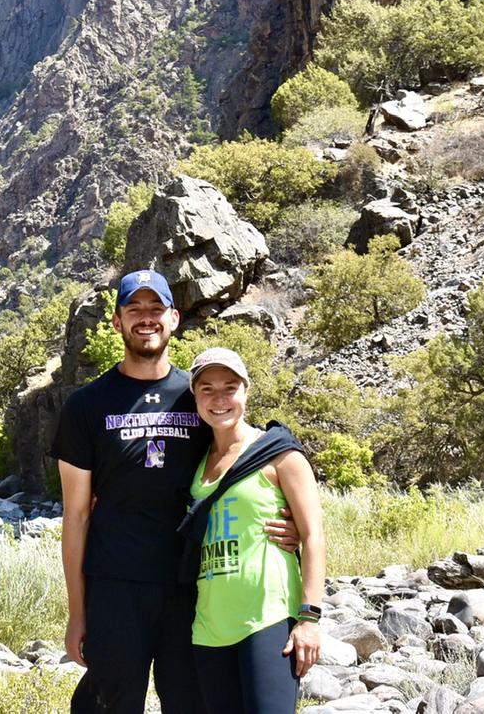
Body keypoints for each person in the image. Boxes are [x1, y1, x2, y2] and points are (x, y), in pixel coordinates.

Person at [52, 271, 297, 714]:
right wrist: (77, 611)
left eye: (155, 309)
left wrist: (291, 520)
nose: (146, 319)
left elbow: (242, 460)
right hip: (115, 586)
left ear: (174, 318)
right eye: (135, 310)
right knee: (110, 703)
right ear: (117, 321)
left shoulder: (198, 395)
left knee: (190, 704)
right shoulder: (86, 406)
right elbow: (76, 515)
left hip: (191, 587)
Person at [178, 346, 326, 714]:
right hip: (209, 625)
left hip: (267, 618)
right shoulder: (194, 464)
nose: (219, 399)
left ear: (246, 390)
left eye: (230, 387)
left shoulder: (278, 453)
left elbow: (313, 536)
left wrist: (309, 618)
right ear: (194, 396)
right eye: (207, 388)